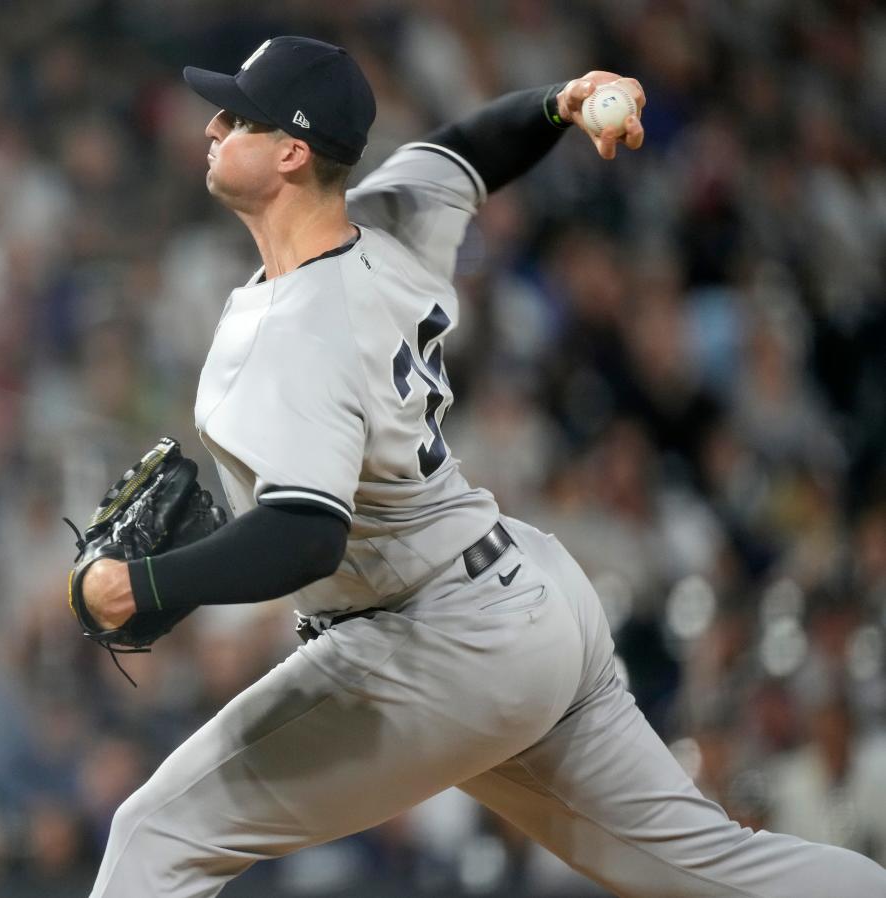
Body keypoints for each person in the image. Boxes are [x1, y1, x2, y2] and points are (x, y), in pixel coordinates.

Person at [77, 36, 886, 897]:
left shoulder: (294, 330)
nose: (211, 125)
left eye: (236, 115)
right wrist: (562, 102)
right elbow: (470, 147)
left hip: (439, 644)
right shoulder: (386, 217)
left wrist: (143, 585)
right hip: (527, 597)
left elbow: (307, 536)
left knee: (157, 834)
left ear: (291, 151)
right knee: (715, 872)